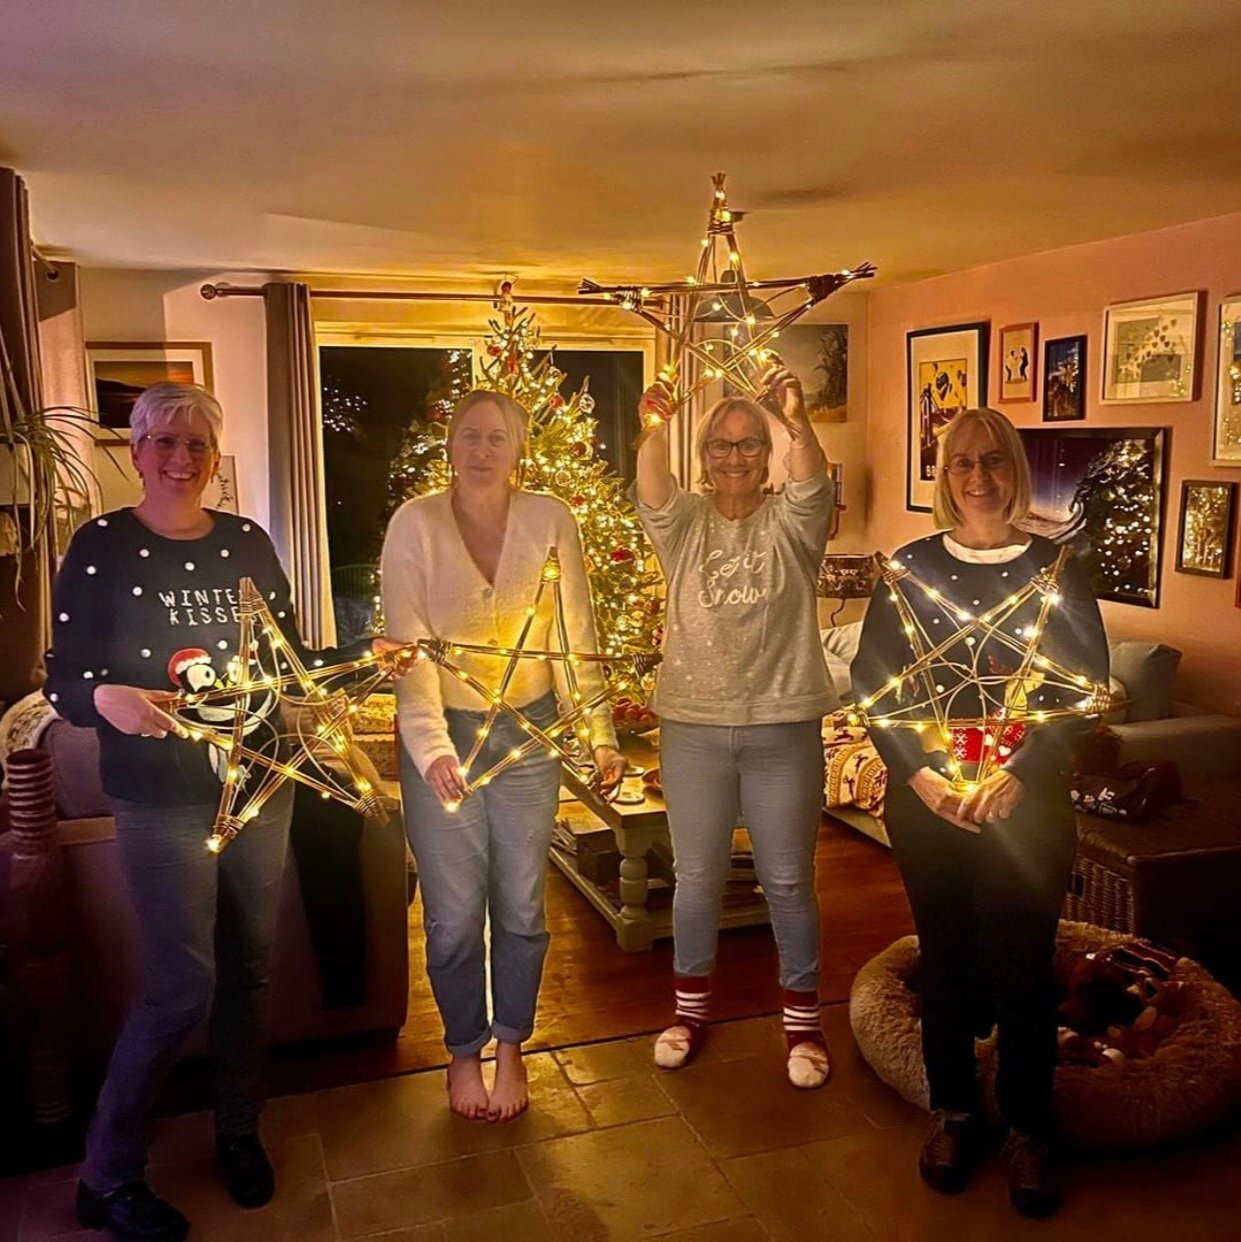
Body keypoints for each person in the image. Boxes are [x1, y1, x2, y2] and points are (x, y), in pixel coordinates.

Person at [44, 382, 403, 1242]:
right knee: (180, 986)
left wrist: (365, 656)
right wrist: (102, 698)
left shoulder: (246, 542)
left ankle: (238, 1131)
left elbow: (288, 659)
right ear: (136, 452)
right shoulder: (100, 546)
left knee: (249, 970)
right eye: (165, 442)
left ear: (214, 457)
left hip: (259, 784)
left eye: (197, 444)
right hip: (159, 798)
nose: (181, 458)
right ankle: (106, 1175)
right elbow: (64, 680)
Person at [851, 407, 1108, 1219]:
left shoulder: (1058, 569)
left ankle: (1029, 1127)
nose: (978, 478)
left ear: (1014, 470)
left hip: (1024, 804)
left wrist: (1023, 774)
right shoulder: (910, 570)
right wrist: (918, 775)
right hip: (930, 801)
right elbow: (871, 684)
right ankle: (955, 1112)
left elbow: (1083, 689)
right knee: (946, 955)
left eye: (992, 460)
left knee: (1022, 961)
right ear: (944, 475)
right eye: (961, 462)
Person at [382, 389, 625, 1123]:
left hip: (529, 733)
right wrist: (430, 748)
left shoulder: (551, 519)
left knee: (520, 904)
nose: (482, 449)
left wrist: (598, 731)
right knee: (455, 915)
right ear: (449, 444)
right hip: (444, 733)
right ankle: (463, 1051)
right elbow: (407, 644)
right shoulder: (415, 523)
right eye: (469, 435)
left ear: (519, 448)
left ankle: (512, 1043)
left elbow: (574, 630)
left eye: (496, 437)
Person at [632, 366, 837, 1089]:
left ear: (767, 453)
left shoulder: (794, 523)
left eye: (749, 444)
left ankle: (804, 1023)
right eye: (720, 445)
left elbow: (811, 478)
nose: (734, 457)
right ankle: (688, 1013)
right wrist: (655, 425)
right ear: (703, 456)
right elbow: (651, 483)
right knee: (696, 880)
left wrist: (794, 418)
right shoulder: (684, 523)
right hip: (692, 727)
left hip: (783, 728)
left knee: (788, 881)